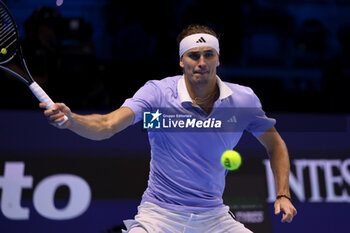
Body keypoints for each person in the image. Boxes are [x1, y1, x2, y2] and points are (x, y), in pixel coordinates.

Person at [41, 24, 297, 233]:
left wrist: (283, 194)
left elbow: (275, 145)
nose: (201, 62)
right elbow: (108, 125)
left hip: (214, 218)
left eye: (209, 54)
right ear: (181, 61)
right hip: (159, 216)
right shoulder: (158, 95)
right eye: (193, 55)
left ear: (218, 59)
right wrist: (72, 120)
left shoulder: (242, 100)